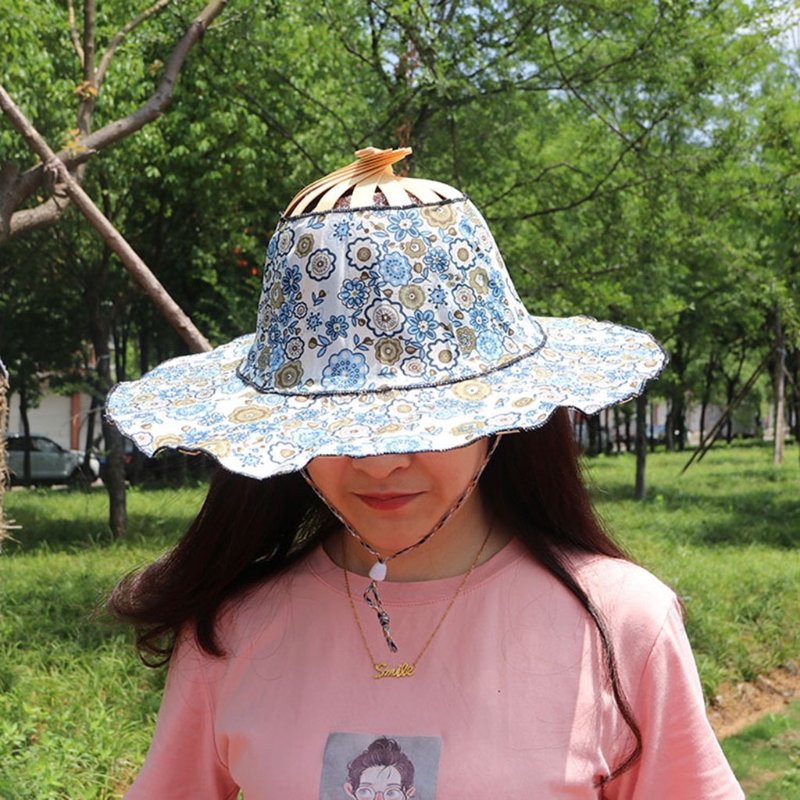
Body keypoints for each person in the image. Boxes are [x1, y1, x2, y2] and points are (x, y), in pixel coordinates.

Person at [106, 147, 744, 798]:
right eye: (339, 426)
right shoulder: (228, 634)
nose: (381, 462)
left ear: (502, 416)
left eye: (420, 423)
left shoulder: (621, 626)